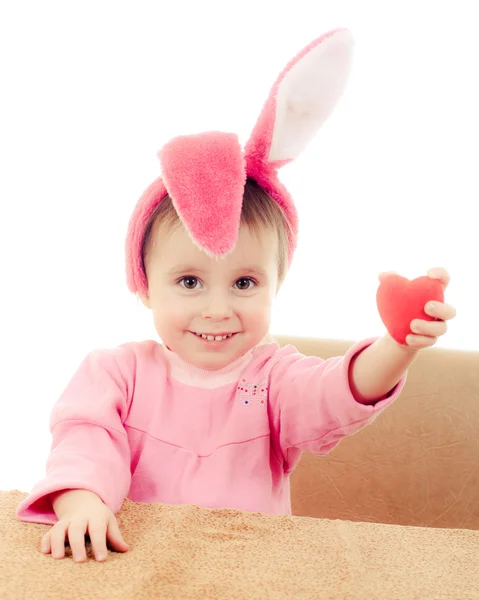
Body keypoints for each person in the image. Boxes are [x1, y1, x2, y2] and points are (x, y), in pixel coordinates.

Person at [16, 29, 456, 565]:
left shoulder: (268, 380)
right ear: (144, 287)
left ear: (276, 285)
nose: (218, 309)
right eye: (189, 282)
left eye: (244, 283)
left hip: (247, 571)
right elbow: (86, 439)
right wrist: (83, 502)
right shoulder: (117, 374)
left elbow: (333, 392)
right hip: (137, 566)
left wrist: (399, 344)